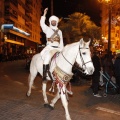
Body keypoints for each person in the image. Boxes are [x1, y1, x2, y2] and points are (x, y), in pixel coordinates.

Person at [40, 8, 64, 81]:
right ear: (50, 22)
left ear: (56, 22)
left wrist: (62, 49)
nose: (53, 22)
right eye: (52, 21)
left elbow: (61, 42)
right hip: (49, 48)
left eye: (55, 21)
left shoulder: (59, 31)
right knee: (47, 58)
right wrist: (44, 14)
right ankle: (44, 76)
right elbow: (42, 23)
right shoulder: (47, 29)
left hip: (58, 48)